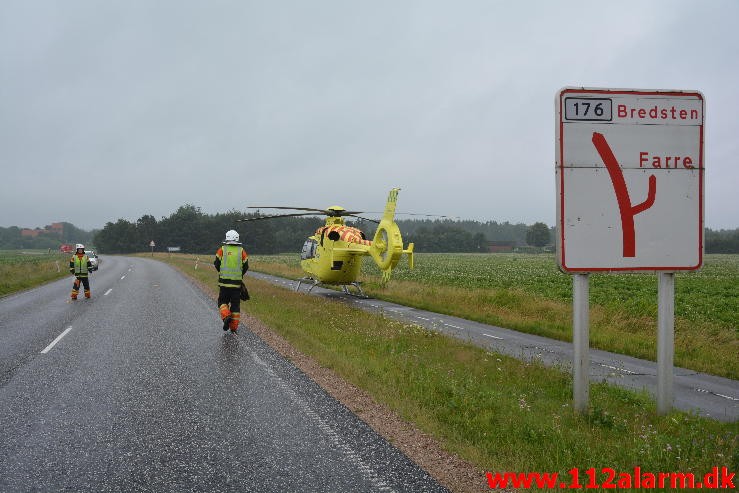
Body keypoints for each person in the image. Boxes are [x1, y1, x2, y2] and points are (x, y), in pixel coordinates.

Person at [214, 229, 248, 333]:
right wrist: (239, 275)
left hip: (224, 284)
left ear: (227, 238)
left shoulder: (222, 249)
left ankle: (226, 316)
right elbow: (246, 266)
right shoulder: (241, 251)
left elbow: (216, 263)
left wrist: (222, 272)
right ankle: (233, 327)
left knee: (222, 302)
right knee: (235, 305)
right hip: (236, 285)